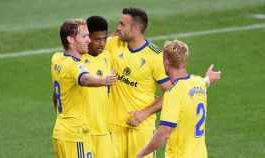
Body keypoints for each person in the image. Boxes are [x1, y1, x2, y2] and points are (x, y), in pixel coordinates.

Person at [105, 7, 221, 158]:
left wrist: (143, 113)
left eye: (122, 24)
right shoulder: (112, 43)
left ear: (135, 28)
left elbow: (171, 91)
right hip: (113, 126)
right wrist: (207, 80)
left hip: (140, 127)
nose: (117, 27)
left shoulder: (155, 56)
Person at [137, 40, 215, 158]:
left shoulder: (173, 92)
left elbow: (163, 133)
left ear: (166, 62)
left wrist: (140, 154)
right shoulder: (198, 82)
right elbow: (205, 81)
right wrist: (209, 77)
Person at [51, 18, 116, 158]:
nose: (88, 40)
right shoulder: (73, 65)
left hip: (63, 130)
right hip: (75, 134)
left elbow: (55, 97)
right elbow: (84, 78)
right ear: (70, 39)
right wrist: (104, 80)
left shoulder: (57, 58)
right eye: (84, 36)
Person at [79, 15, 113, 158]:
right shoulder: (78, 59)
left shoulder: (107, 57)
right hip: (84, 131)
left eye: (104, 39)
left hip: (104, 130)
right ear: (88, 38)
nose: (101, 43)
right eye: (97, 39)